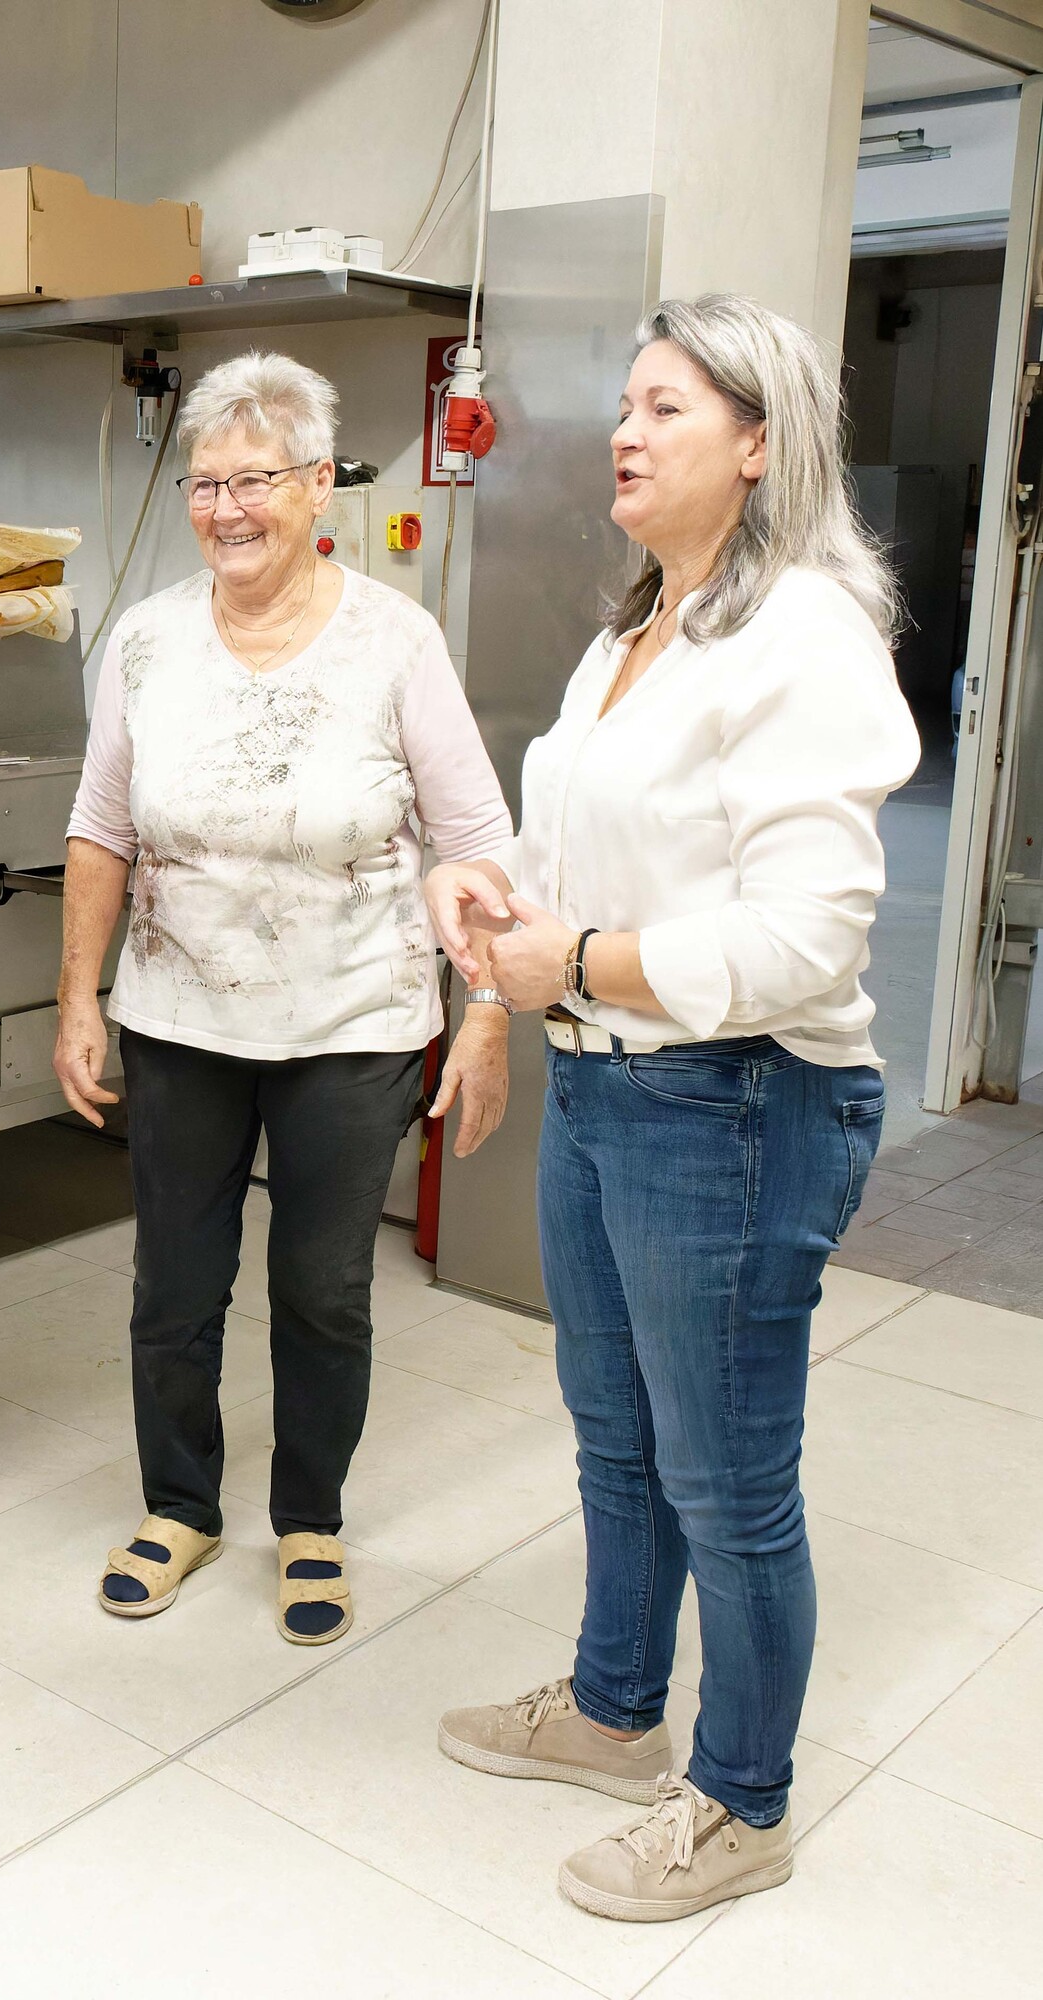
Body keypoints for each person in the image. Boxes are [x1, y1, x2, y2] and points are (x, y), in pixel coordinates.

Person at [428, 294, 919, 1921]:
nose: (624, 436)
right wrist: (505, 914)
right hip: (609, 1078)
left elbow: (804, 940)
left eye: (667, 410)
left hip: (741, 1103)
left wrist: (575, 953)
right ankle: (615, 1709)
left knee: (728, 1478)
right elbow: (585, 860)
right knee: (619, 1438)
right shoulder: (634, 631)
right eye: (626, 407)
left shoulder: (809, 639)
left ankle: (743, 1798)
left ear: (761, 444)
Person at [56, 350, 513, 1646]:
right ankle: (180, 1505)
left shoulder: (396, 641)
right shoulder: (145, 641)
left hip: (350, 1027)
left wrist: (486, 1009)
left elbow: (474, 838)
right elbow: (100, 829)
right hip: (179, 1018)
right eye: (206, 484)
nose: (227, 510)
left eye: (255, 480)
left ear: (319, 485)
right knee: (173, 1284)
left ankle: (310, 1517)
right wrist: (79, 995)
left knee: (323, 1286)